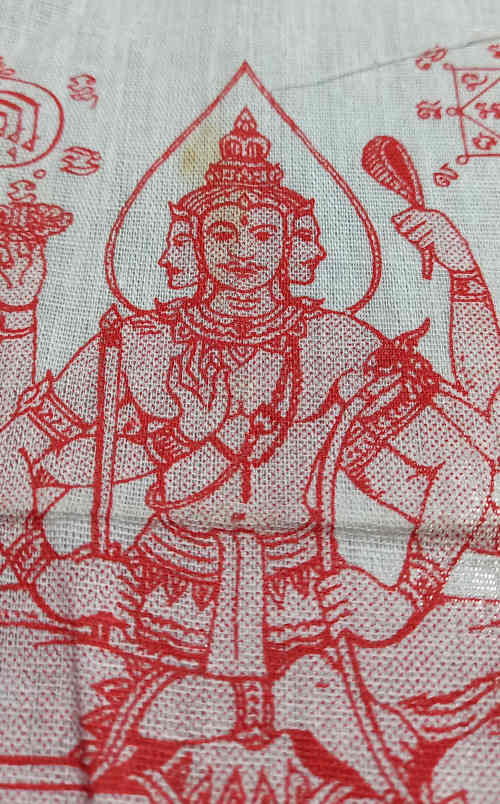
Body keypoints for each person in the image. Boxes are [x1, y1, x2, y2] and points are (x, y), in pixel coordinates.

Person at [0, 109, 498, 801]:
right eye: (223, 232)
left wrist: (402, 598)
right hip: (155, 605)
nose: (244, 250)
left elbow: (468, 464)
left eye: (265, 232)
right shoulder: (137, 344)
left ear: (295, 243)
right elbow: (13, 451)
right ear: (191, 242)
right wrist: (49, 569)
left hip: (310, 610)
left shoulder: (338, 346)